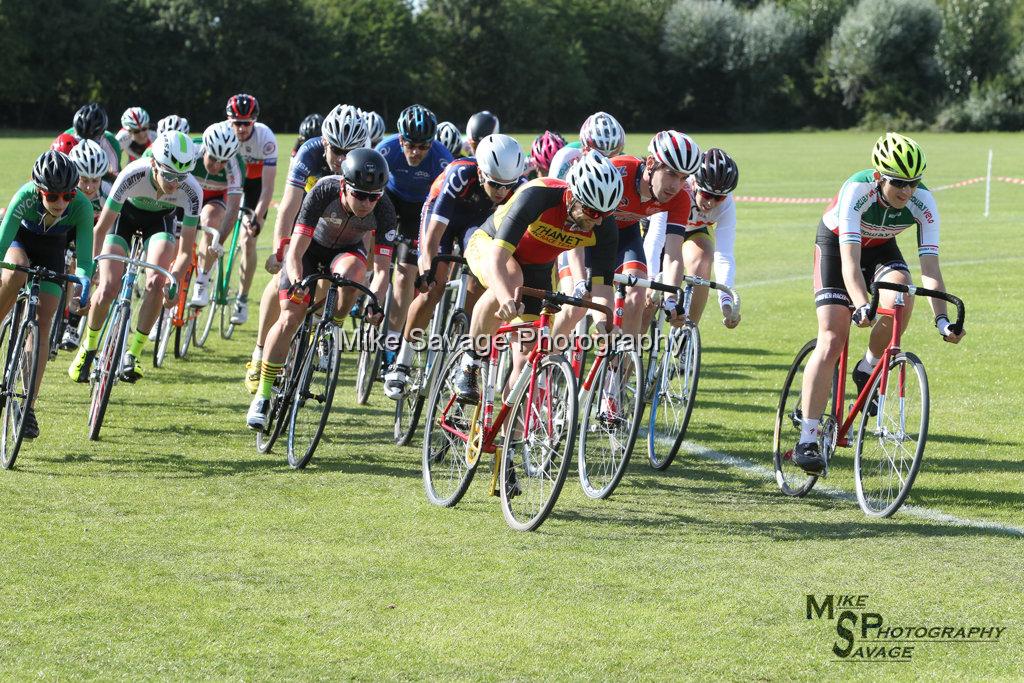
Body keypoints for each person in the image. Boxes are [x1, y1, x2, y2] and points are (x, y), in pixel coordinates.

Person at [792, 132, 965, 474]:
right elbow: (849, 263)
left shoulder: (923, 203)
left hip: (882, 248)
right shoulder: (857, 191)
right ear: (879, 177)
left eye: (913, 183)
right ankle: (808, 437)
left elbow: (930, 269)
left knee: (901, 292)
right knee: (832, 337)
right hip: (839, 247)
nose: (907, 191)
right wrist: (860, 305)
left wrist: (942, 321)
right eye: (899, 182)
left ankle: (868, 366)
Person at [454, 150, 623, 402]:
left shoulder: (604, 226)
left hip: (537, 270)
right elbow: (498, 260)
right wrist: (504, 298)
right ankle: (470, 362)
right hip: (491, 245)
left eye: (605, 214)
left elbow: (602, 287)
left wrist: (603, 325)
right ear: (573, 197)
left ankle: (507, 433)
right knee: (511, 279)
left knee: (528, 362)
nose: (598, 221)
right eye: (593, 212)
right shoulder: (539, 196)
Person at [247, 149, 396, 430]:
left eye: (373, 196)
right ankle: (263, 396)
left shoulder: (385, 209)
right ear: (344, 186)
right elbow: (296, 250)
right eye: (360, 195)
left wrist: (375, 302)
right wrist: (298, 281)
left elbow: (382, 270)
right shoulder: (322, 191)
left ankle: (332, 328)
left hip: (346, 252)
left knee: (355, 276)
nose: (366, 203)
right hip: (308, 250)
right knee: (290, 317)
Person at [383, 133, 526, 399]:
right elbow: (433, 235)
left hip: (479, 225)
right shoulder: (460, 174)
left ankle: (466, 356)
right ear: (482, 173)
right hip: (446, 217)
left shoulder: (520, 187)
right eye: (495, 184)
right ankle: (402, 360)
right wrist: (426, 268)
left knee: (479, 282)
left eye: (509, 185)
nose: (502, 192)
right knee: (434, 287)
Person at [244, 104, 368, 393]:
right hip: (305, 218)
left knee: (327, 283)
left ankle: (316, 327)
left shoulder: (362, 160)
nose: (342, 159)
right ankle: (259, 353)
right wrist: (280, 249)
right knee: (281, 281)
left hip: (338, 229)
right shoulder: (308, 153)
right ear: (325, 142)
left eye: (349, 152)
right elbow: (288, 205)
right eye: (336, 151)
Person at [67, 131, 202, 384]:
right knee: (108, 287)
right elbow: (101, 228)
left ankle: (134, 353)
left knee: (156, 282)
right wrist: (92, 266)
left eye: (181, 176)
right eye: (169, 174)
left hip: (160, 223)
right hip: (124, 220)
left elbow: (185, 251)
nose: (174, 183)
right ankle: (89, 347)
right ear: (154, 164)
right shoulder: (132, 173)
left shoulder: (192, 190)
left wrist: (174, 280)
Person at [0, 151, 95, 437]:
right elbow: (3, 242)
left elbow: (85, 260)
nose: (60, 203)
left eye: (67, 195)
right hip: (21, 241)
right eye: (52, 196)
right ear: (38, 190)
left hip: (52, 249)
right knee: (16, 270)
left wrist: (83, 283)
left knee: (44, 319)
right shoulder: (24, 197)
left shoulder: (81, 207)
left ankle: (28, 405)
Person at [375, 104, 453, 365]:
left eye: (423, 146)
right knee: (374, 253)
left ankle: (392, 343)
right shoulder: (385, 151)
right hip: (389, 199)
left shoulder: (443, 160)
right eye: (410, 145)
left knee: (405, 275)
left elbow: (444, 207)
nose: (416, 152)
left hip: (421, 209)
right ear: (400, 139)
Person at [642, 147, 742, 330]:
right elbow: (655, 239)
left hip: (692, 232)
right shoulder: (680, 188)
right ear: (694, 183)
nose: (711, 203)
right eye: (706, 194)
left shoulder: (726, 204)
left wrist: (726, 302)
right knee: (646, 306)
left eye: (718, 198)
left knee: (703, 259)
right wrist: (650, 281)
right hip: (661, 229)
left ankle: (687, 332)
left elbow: (724, 254)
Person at [226, 93, 277, 326]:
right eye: (237, 123)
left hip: (255, 187)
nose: (241, 128)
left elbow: (267, 188)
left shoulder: (265, 138)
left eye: (247, 123)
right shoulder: (222, 133)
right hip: (229, 183)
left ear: (254, 121)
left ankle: (242, 299)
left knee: (248, 240)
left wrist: (256, 218)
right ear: (229, 121)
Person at [61, 140, 111, 349]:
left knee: (87, 270)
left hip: (92, 230)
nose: (90, 187)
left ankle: (72, 326)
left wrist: (98, 264)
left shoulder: (108, 192)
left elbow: (109, 230)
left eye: (95, 180)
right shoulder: (63, 186)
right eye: (84, 180)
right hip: (66, 225)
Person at [188, 122, 245, 307]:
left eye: (223, 161)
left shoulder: (236, 165)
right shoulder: (191, 151)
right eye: (213, 158)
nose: (217, 165)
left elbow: (234, 208)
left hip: (215, 199)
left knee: (211, 221)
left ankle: (202, 281)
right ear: (205, 149)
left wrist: (218, 242)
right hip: (187, 196)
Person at [547, 111, 624, 180]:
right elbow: (551, 191)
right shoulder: (566, 158)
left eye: (611, 158)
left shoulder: (624, 161)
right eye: (598, 157)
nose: (604, 163)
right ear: (584, 149)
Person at [67, 103, 121, 182]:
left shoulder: (111, 142)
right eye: (81, 138)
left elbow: (115, 178)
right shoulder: (66, 138)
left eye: (93, 139)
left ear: (102, 133)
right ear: (75, 130)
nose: (87, 143)